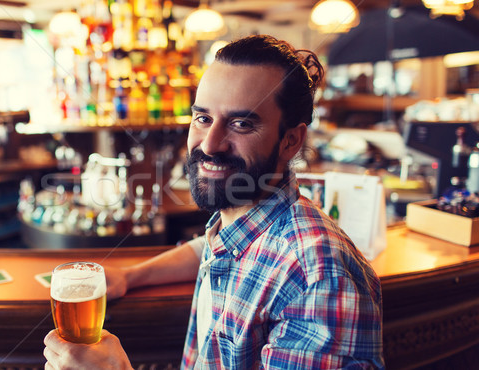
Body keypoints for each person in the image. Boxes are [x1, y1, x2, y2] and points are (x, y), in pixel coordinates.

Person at [44, 34, 384, 369]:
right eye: (203, 118)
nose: (210, 144)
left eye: (241, 123)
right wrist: (131, 276)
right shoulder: (243, 225)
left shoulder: (320, 276)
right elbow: (211, 250)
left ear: (291, 140)